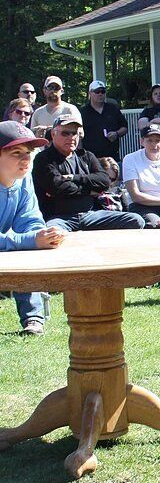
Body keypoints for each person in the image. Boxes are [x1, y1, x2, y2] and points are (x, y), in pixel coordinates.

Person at [0, 121, 65, 336]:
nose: (26, 159)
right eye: (16, 152)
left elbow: (30, 219)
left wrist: (42, 236)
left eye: (28, 152)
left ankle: (33, 319)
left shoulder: (23, 178)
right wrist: (29, 240)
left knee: (29, 248)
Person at [32, 113, 145, 232]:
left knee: (136, 220)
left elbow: (104, 180)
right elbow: (58, 187)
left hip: (91, 214)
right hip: (60, 218)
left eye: (74, 133)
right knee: (51, 232)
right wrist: (90, 191)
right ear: (54, 134)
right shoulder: (43, 159)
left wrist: (74, 177)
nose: (71, 137)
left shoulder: (86, 156)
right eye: (65, 133)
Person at [79, 80, 128, 162]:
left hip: (112, 157)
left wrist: (116, 133)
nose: (100, 94)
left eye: (103, 91)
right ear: (90, 93)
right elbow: (78, 134)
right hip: (90, 159)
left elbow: (124, 127)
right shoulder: (83, 112)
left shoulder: (113, 109)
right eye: (97, 91)